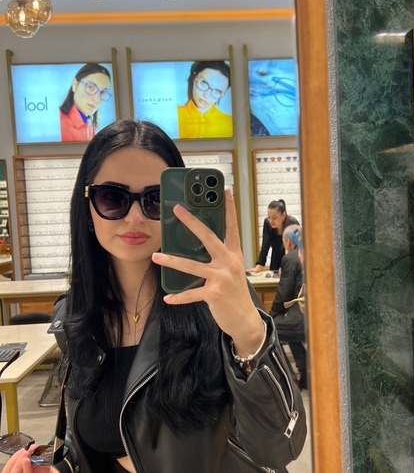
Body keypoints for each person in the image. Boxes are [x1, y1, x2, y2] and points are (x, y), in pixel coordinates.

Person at [1, 118, 305, 473]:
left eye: (155, 199)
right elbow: (91, 439)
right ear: (87, 207)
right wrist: (60, 468)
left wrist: (249, 332)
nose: (134, 218)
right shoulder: (76, 316)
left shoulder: (217, 297)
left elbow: (280, 448)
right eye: (112, 197)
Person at [269, 225, 307, 390]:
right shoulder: (309, 254)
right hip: (308, 313)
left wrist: (271, 316)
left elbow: (283, 295)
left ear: (289, 242)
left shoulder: (290, 259)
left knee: (270, 329)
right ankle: (304, 370)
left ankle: (289, 378)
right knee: (288, 327)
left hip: (302, 314)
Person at [177, 61, 233, 138]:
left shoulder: (231, 123)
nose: (206, 95)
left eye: (217, 91)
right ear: (194, 77)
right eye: (204, 83)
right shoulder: (173, 115)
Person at [59, 63, 112, 142]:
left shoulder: (89, 126)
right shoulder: (60, 124)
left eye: (103, 92)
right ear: (75, 84)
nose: (97, 98)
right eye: (90, 87)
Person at [247, 200, 299, 273]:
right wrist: (259, 265)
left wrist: (288, 265)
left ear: (283, 215)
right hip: (275, 258)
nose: (271, 221)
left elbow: (298, 248)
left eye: (274, 218)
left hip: (292, 259)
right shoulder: (267, 223)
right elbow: (265, 244)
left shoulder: (293, 223)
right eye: (269, 217)